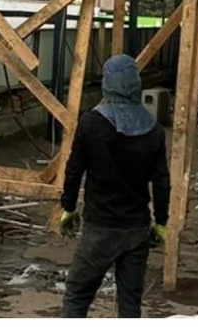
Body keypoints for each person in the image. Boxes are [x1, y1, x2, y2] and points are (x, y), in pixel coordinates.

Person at [59, 55, 170, 318]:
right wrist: (161, 223)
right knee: (130, 305)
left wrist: (68, 207)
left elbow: (74, 170)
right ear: (137, 85)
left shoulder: (91, 123)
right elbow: (162, 182)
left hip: (100, 228)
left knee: (77, 295)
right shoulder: (153, 129)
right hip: (136, 231)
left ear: (107, 85)